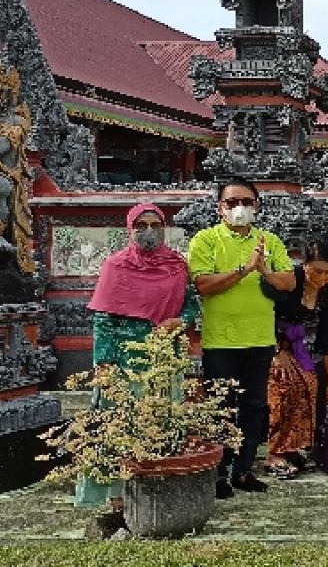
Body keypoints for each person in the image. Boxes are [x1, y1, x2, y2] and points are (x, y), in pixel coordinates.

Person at [79, 203, 198, 529]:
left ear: (163, 228)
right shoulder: (116, 266)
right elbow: (103, 321)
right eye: (141, 225)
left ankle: (156, 495)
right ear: (129, 229)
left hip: (164, 359)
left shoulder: (177, 265)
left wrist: (179, 320)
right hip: (123, 361)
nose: (148, 231)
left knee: (161, 423)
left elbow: (191, 305)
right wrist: (103, 366)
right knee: (120, 429)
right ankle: (118, 502)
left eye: (155, 225)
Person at [189, 178, 296, 497]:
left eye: (247, 202)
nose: (240, 208)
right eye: (232, 202)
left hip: (260, 339)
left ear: (257, 206)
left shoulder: (269, 241)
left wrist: (263, 270)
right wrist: (244, 269)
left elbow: (288, 282)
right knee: (220, 407)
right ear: (220, 207)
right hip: (220, 342)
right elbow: (203, 285)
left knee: (253, 407)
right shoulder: (206, 240)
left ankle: (244, 470)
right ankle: (218, 473)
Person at [262, 239, 328, 478]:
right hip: (269, 340)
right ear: (304, 264)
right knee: (283, 385)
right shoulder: (290, 279)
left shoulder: (327, 292)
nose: (322, 277)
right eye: (316, 270)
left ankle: (293, 449)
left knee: (309, 385)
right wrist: (276, 351)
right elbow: (263, 311)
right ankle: (274, 453)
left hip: (296, 345)